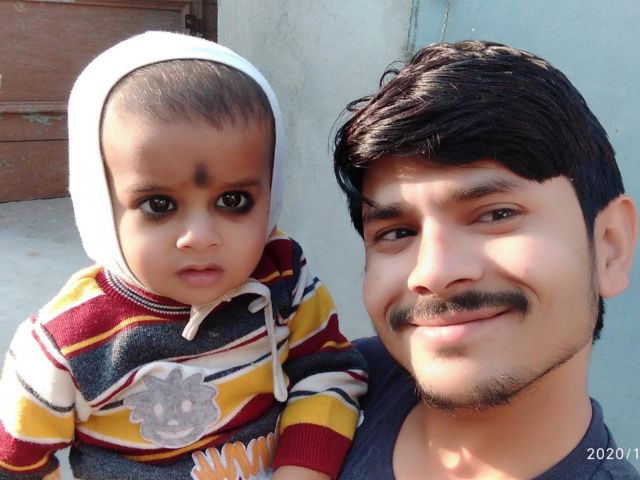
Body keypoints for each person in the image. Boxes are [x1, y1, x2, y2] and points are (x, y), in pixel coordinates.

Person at [0, 31, 367, 480]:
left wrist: (302, 470)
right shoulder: (66, 342)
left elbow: (328, 372)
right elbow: (17, 461)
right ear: (100, 206)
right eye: (159, 205)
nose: (199, 237)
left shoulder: (283, 277)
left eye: (233, 201)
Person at [333, 40, 638, 479]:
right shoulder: (324, 385)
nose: (433, 272)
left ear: (610, 246)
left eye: (497, 215)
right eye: (397, 233)